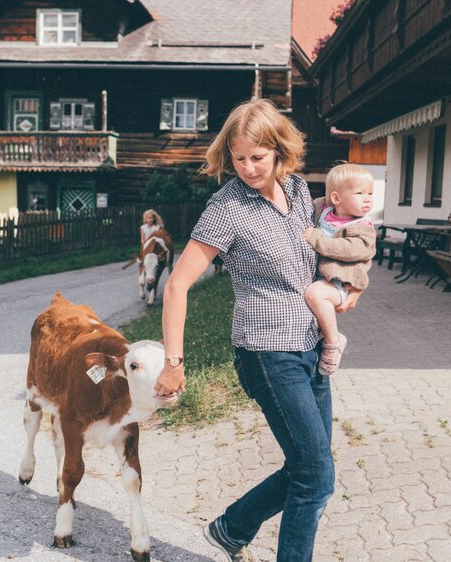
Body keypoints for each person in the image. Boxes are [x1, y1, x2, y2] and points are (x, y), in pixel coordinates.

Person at [154, 98, 359, 562]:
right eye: (239, 158)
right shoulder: (227, 208)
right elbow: (177, 285)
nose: (247, 168)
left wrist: (344, 286)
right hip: (268, 354)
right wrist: (173, 361)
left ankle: (233, 529)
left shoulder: (300, 190)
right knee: (316, 476)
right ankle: (241, 531)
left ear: (280, 151)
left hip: (312, 346)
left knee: (312, 468)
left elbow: (321, 251)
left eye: (257, 157)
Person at [303, 163, 376, 375]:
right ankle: (324, 336)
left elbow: (351, 249)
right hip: (322, 276)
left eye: (370, 193)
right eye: (360, 193)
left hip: (341, 283)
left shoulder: (363, 227)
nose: (367, 198)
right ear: (335, 199)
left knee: (315, 294)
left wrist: (316, 238)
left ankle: (333, 342)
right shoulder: (322, 209)